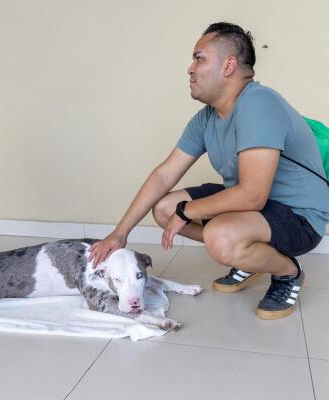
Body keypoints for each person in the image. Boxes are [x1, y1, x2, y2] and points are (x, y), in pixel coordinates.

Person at [88, 22, 329, 320]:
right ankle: (249, 254)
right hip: (257, 208)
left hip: (300, 216)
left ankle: (287, 271)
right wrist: (120, 233)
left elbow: (252, 195)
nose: (190, 69)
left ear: (229, 65)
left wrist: (186, 211)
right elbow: (164, 175)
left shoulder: (259, 103)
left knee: (218, 235)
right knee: (164, 208)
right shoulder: (207, 118)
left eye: (199, 58)